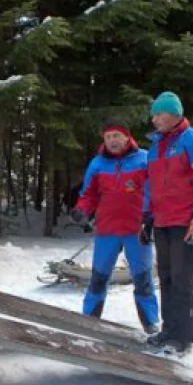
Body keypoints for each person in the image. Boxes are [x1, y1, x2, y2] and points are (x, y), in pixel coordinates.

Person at [141, 91, 193, 355]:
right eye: (153, 115)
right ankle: (169, 330)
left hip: (188, 221)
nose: (154, 119)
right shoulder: (156, 146)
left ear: (175, 113)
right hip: (163, 220)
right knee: (165, 276)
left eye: (159, 114)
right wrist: (146, 216)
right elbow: (151, 185)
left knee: (182, 278)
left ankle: (183, 337)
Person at [70, 122, 159, 332]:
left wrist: (152, 219)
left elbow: (156, 191)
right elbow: (88, 194)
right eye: (108, 137)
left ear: (128, 138)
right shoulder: (98, 164)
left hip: (137, 230)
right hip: (107, 230)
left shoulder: (145, 159)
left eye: (117, 136)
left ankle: (151, 323)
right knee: (98, 278)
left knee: (143, 279)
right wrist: (82, 210)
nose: (112, 141)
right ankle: (88, 321)